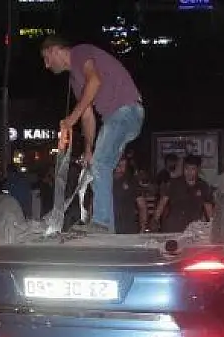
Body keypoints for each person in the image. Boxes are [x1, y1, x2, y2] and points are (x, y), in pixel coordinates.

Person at [40, 35, 145, 234]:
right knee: (100, 165)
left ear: (55, 50)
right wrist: (88, 149)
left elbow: (95, 81)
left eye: (46, 58)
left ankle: (103, 223)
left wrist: (71, 119)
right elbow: (88, 116)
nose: (46, 65)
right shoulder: (74, 80)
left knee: (101, 164)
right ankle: (107, 226)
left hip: (125, 110)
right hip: (119, 118)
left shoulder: (80, 52)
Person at [154, 155, 214, 233]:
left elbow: (209, 210)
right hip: (173, 227)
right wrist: (155, 219)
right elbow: (162, 203)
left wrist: (213, 226)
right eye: (186, 168)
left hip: (193, 229)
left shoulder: (203, 186)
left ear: (198, 170)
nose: (189, 172)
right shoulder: (173, 184)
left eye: (192, 169)